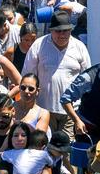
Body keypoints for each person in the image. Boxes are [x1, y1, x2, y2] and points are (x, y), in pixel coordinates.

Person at [22, 11, 91, 139]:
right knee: (45, 146)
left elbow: (87, 80)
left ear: (71, 30)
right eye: (58, 31)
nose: (62, 34)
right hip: (44, 109)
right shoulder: (38, 46)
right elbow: (28, 77)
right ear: (51, 30)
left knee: (66, 149)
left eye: (65, 31)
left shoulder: (80, 47)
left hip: (71, 111)